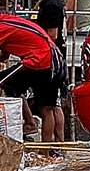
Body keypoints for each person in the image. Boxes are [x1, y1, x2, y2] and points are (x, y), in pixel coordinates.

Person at [0, 13, 62, 141]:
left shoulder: (2, 28)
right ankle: (45, 149)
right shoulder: (8, 21)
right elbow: (4, 55)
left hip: (38, 60)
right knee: (47, 108)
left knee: (4, 83)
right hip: (52, 61)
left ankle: (29, 124)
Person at [31, 0, 66, 143]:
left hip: (50, 61)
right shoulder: (50, 2)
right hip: (54, 59)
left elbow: (52, 35)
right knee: (54, 104)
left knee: (47, 107)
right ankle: (59, 143)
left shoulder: (52, 5)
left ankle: (46, 147)